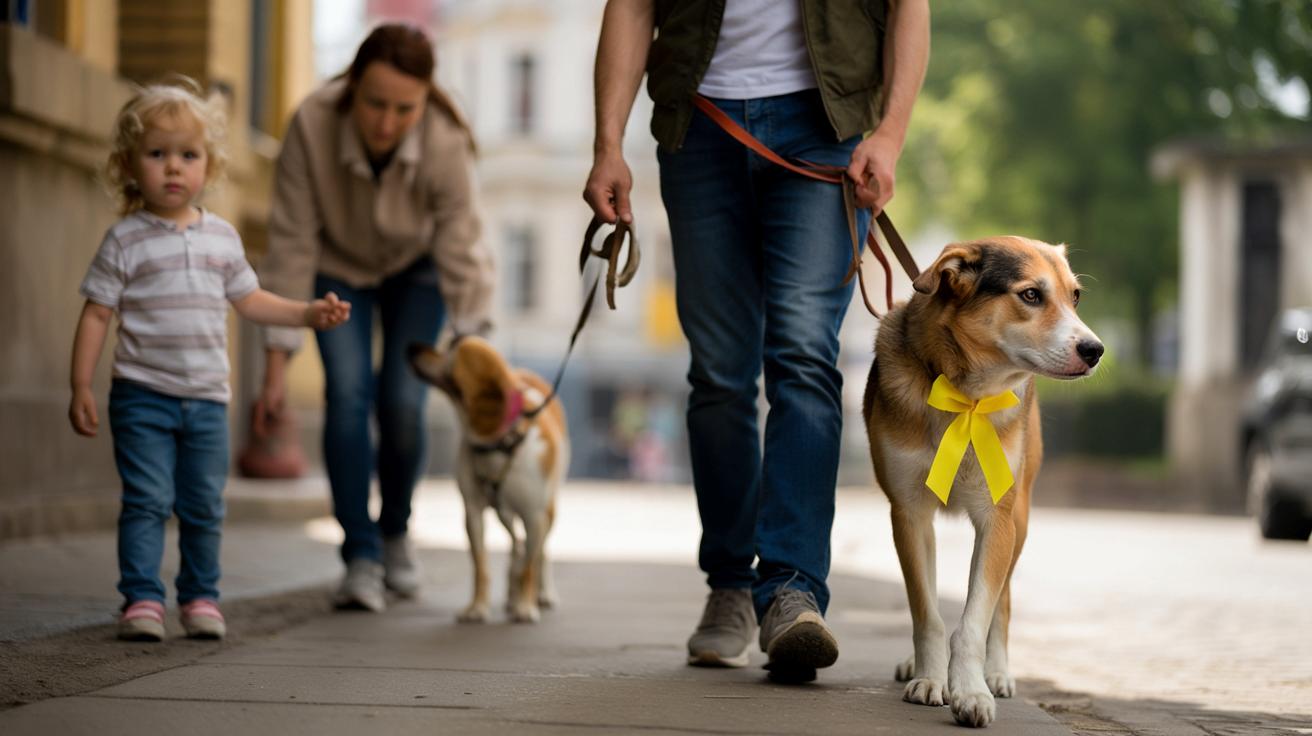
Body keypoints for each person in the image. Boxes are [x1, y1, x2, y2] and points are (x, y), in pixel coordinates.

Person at [583, 0, 929, 680]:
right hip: (699, 125)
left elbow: (908, 8)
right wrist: (608, 145)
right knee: (719, 371)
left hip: (824, 124)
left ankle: (794, 591)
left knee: (803, 354)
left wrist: (889, 134)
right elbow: (630, 7)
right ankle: (730, 587)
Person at [69, 82, 352, 642]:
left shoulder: (222, 238)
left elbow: (252, 300)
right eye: (157, 154)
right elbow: (97, 314)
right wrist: (80, 384)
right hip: (141, 395)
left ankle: (200, 597)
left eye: (188, 155)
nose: (173, 168)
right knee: (147, 500)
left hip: (205, 400)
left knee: (203, 504)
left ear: (210, 165)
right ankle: (143, 601)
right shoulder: (124, 240)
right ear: (129, 164)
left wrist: (306, 314)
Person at [257, 23, 495, 612]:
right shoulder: (312, 123)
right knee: (348, 392)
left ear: (424, 101)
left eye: (403, 109)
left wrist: (475, 347)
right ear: (351, 87)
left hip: (418, 271)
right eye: (374, 104)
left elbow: (463, 248)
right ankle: (358, 555)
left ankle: (394, 533)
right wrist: (276, 365)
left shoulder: (445, 139)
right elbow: (290, 243)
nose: (387, 122)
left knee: (403, 402)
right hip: (338, 270)